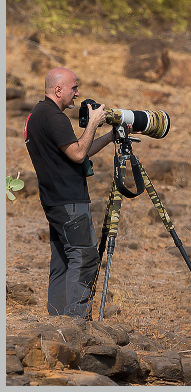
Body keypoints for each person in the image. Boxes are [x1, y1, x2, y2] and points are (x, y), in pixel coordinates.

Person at [24, 67, 117, 320]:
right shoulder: (55, 117)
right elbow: (77, 153)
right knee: (84, 259)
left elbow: (76, 152)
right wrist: (95, 123)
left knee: (63, 261)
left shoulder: (37, 115)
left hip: (54, 201)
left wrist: (110, 136)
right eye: (74, 87)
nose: (77, 93)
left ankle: (57, 324)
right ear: (58, 90)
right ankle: (76, 326)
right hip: (69, 201)